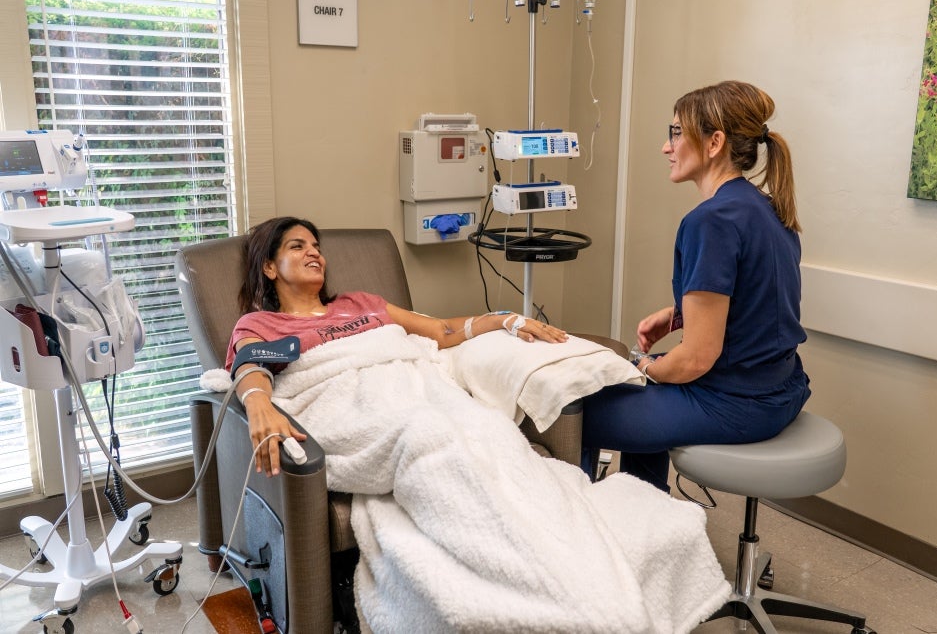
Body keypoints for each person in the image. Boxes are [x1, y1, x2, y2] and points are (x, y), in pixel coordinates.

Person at [582, 80, 810, 492]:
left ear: (714, 142)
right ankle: (646, 525)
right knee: (644, 391)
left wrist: (644, 366)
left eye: (675, 133)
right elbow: (755, 300)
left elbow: (695, 361)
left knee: (572, 411)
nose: (666, 147)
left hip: (737, 404)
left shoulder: (711, 220)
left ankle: (578, 541)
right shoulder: (766, 207)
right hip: (784, 388)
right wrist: (677, 316)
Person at [226, 216, 568, 475]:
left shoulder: (361, 303)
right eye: (297, 246)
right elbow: (250, 365)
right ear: (270, 267)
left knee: (491, 428)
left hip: (418, 393)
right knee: (426, 434)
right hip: (361, 412)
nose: (313, 252)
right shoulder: (260, 325)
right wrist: (258, 404)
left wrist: (504, 319)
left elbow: (442, 330)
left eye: (316, 246)